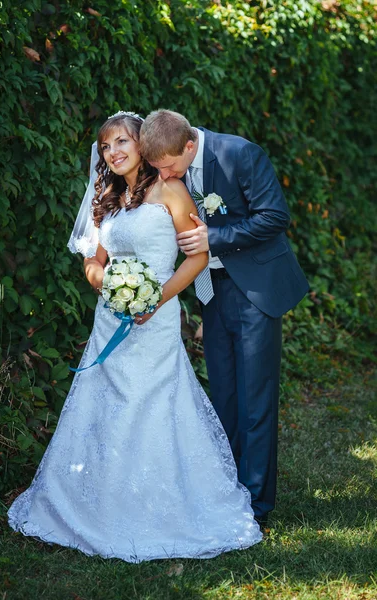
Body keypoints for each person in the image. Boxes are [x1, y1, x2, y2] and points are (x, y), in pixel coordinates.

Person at [8, 111, 262, 562]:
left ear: (141, 145)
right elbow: (93, 263)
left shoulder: (170, 190)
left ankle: (160, 506)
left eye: (122, 142)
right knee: (103, 405)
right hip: (111, 320)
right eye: (106, 147)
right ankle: (97, 504)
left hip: (157, 319)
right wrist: (112, 288)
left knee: (153, 405)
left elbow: (197, 257)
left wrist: (153, 297)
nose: (114, 152)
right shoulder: (106, 197)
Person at [140, 109, 309, 527]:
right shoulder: (169, 168)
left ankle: (255, 506)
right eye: (157, 169)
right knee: (225, 395)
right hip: (211, 293)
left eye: (169, 168)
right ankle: (226, 488)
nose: (164, 177)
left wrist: (214, 237)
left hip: (255, 290)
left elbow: (274, 216)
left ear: (190, 146)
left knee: (255, 398)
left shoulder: (239, 153)